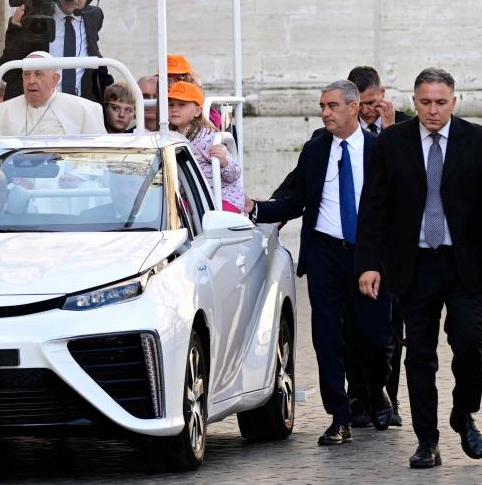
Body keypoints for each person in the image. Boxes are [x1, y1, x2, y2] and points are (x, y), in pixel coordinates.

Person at [356, 68, 482, 469]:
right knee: (419, 356)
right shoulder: (392, 142)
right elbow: (373, 208)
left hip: (465, 268)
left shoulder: (477, 141)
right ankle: (428, 440)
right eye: (425, 102)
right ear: (414, 100)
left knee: (469, 346)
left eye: (441, 102)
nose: (433, 110)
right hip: (414, 267)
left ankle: (464, 415)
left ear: (454, 102)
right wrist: (369, 265)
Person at [243, 80, 395, 447]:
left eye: (332, 106)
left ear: (354, 107)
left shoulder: (382, 150)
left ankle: (376, 389)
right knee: (327, 338)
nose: (325, 113)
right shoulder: (314, 150)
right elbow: (295, 196)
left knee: (373, 338)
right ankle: (338, 418)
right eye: (322, 106)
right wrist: (257, 208)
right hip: (325, 253)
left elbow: (398, 206)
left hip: (369, 256)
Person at [310, 66, 410, 428]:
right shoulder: (322, 143)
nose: (370, 110)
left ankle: (384, 395)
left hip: (383, 252)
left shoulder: (402, 128)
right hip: (332, 252)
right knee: (341, 332)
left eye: (373, 103)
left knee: (382, 334)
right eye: (363, 104)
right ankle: (353, 403)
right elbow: (299, 190)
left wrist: (391, 130)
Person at [0, 0, 114, 102]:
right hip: (38, 106)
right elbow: (8, 72)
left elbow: (94, 53)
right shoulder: (33, 19)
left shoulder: (94, 15)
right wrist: (16, 27)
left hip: (80, 106)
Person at [0, 51, 108, 136]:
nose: (31, 81)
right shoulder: (1, 111)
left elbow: (97, 159)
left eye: (39, 74)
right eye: (26, 74)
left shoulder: (84, 109)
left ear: (55, 79)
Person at [168, 81, 243, 212]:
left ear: (197, 111)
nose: (175, 109)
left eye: (182, 104)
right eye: (171, 104)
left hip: (223, 199)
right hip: (197, 200)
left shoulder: (206, 137)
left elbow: (235, 173)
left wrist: (224, 161)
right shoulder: (171, 136)